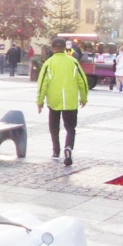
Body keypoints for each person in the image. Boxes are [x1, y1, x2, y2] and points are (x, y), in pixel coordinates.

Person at [37, 37, 89, 167]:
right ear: (65, 48)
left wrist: (40, 101)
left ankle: (56, 150)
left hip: (54, 100)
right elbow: (82, 81)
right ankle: (68, 147)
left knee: (54, 127)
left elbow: (43, 83)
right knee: (71, 128)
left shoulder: (49, 63)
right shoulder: (73, 62)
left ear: (53, 48)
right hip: (70, 101)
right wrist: (83, 98)